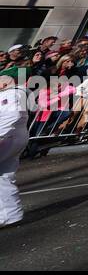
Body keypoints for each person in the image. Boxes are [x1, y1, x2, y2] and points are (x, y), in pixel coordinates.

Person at [0, 74, 28, 227]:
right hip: (14, 136)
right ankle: (11, 214)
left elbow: (11, 115)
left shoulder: (10, 94)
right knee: (4, 174)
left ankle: (9, 214)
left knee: (3, 174)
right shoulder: (18, 94)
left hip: (7, 138)